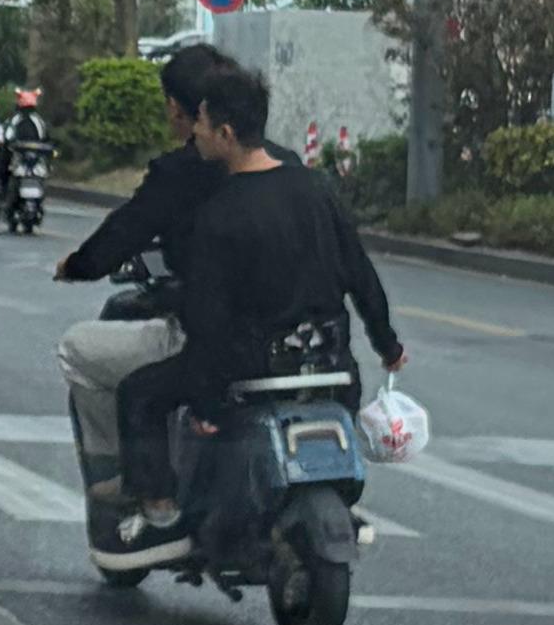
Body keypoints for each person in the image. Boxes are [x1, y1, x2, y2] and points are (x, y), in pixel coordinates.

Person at [160, 50, 408, 559]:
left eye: (201, 123)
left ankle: (168, 516)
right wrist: (388, 345)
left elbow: (208, 319)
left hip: (253, 370)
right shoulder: (317, 189)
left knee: (147, 391)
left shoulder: (219, 213)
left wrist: (205, 401)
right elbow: (360, 274)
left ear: (225, 133)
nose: (195, 133)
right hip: (332, 368)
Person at [54, 46, 232, 538]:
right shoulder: (286, 170)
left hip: (212, 340)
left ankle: (128, 480)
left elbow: (127, 230)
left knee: (78, 350)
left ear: (179, 109)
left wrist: (78, 266)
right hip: (296, 339)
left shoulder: (181, 173)